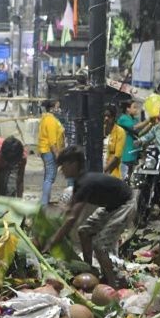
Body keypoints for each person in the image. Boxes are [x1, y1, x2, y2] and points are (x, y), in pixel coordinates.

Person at [43, 146, 135, 287]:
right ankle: (89, 270)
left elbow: (72, 218)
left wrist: (53, 241)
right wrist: (52, 219)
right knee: (84, 231)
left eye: (63, 166)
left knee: (100, 246)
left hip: (125, 204)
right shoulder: (79, 183)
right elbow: (69, 209)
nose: (61, 170)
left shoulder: (85, 183)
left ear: (73, 164)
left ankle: (112, 283)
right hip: (112, 205)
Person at [37, 100, 65, 204]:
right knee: (50, 177)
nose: (59, 109)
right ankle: (44, 203)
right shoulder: (51, 120)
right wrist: (58, 156)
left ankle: (45, 200)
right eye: (58, 107)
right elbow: (52, 141)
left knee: (48, 176)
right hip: (49, 151)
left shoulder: (46, 119)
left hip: (46, 150)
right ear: (52, 108)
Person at [116, 100, 141, 178]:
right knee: (123, 174)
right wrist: (148, 121)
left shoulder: (135, 119)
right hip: (125, 151)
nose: (136, 110)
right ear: (127, 109)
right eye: (134, 107)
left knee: (131, 174)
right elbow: (134, 128)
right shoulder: (123, 118)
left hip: (133, 150)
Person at [102, 106, 125, 177]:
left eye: (109, 116)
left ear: (114, 117)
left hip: (111, 171)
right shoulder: (99, 129)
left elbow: (117, 156)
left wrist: (104, 170)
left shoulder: (120, 131)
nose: (106, 118)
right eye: (104, 116)